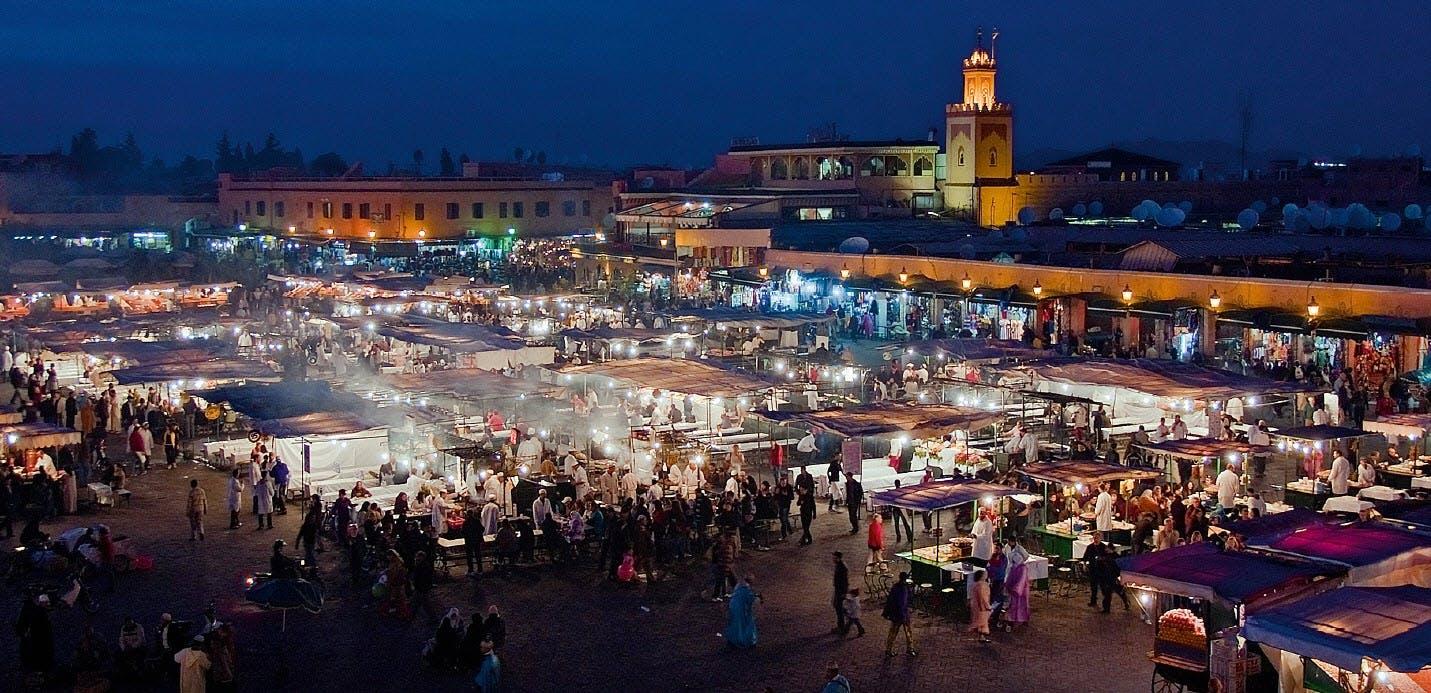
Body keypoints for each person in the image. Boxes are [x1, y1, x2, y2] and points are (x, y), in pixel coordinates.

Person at [16, 593, 55, 677]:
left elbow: (21, 627)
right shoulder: (33, 610)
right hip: (36, 643)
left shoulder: (31, 608)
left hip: (37, 643)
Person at [882, 571, 916, 657]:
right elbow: (903, 603)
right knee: (908, 632)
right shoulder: (904, 588)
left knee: (893, 633)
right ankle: (910, 649)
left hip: (895, 614)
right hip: (902, 614)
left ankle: (888, 650)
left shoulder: (895, 587)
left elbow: (890, 600)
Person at [724, 574, 760, 648]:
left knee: (734, 624)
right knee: (746, 624)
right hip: (742, 609)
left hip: (733, 607)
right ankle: (746, 641)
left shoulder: (738, 587)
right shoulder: (747, 589)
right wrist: (757, 597)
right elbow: (750, 599)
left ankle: (732, 641)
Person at [1004, 545, 1031, 628]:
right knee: (1013, 605)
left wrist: (1016, 589)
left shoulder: (1023, 568)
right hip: (1014, 590)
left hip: (1021, 591)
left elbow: (1022, 581)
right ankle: (1012, 619)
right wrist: (1007, 585)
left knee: (1022, 605)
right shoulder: (1013, 567)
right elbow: (1010, 577)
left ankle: (1023, 619)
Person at [967, 568, 993, 643]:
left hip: (975, 605)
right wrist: (987, 606)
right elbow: (983, 597)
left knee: (979, 620)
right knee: (983, 621)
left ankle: (981, 637)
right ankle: (982, 637)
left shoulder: (975, 584)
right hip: (982, 606)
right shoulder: (983, 585)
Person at [831, 551, 849, 634]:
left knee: (839, 608)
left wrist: (844, 592)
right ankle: (843, 625)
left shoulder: (842, 567)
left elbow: (845, 581)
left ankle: (842, 627)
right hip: (839, 590)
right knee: (838, 607)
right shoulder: (839, 565)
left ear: (838, 558)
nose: (833, 559)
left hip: (840, 591)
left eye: (834, 557)